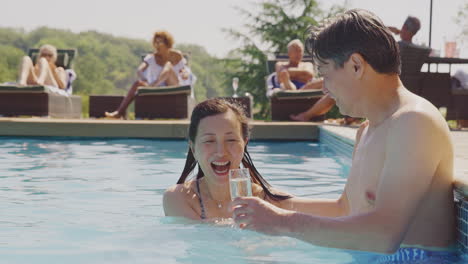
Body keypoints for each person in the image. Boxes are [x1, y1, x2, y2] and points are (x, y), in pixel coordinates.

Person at [231, 9, 458, 261]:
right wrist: (271, 200)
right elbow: (344, 209)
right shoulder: (367, 131)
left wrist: (281, 222)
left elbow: (383, 236)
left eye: (326, 75)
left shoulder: (415, 122)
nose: (325, 89)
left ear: (356, 66)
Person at [163, 98, 294, 220]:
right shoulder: (178, 198)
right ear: (193, 149)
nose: (221, 152)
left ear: (244, 144)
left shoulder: (269, 201)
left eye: (231, 140)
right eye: (209, 140)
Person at [105, 30, 191, 119]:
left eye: (160, 42)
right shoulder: (150, 57)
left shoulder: (175, 55)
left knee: (168, 65)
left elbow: (184, 70)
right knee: (137, 83)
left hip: (172, 85)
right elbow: (139, 70)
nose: (157, 45)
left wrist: (185, 74)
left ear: (166, 43)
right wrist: (144, 78)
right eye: (156, 42)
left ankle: (153, 86)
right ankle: (119, 112)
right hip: (154, 86)